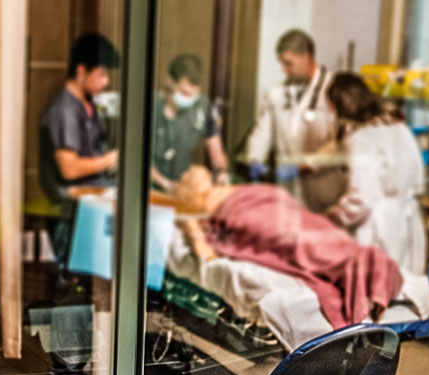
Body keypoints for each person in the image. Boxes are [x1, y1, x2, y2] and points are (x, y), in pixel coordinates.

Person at [174, 165, 403, 329]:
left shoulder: (239, 192)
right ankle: (355, 262)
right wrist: (194, 227)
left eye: (193, 176)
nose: (193, 178)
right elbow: (207, 256)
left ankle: (355, 260)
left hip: (264, 204)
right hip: (246, 216)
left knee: (310, 232)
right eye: (189, 179)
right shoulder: (201, 214)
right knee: (298, 242)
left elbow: (286, 205)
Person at [37, 32, 119, 375]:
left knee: (87, 285)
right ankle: (65, 369)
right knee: (71, 286)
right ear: (82, 70)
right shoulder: (63, 110)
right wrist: (111, 158)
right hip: (66, 211)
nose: (105, 83)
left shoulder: (88, 108)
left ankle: (82, 360)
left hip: (91, 208)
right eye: (101, 75)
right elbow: (69, 168)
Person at [324, 73, 426, 275]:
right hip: (410, 222)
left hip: (382, 228)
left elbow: (362, 198)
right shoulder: (399, 128)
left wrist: (334, 216)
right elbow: (419, 180)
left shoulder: (361, 139)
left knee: (379, 293)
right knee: (407, 291)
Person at [242, 29, 340, 212]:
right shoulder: (276, 93)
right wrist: (254, 159)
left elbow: (339, 144)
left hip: (322, 191)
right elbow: (262, 133)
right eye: (282, 64)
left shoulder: (333, 90)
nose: (284, 70)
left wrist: (305, 165)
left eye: (289, 64)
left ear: (307, 57)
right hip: (287, 190)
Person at [150, 54, 227, 192]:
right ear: (170, 82)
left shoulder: (203, 108)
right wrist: (166, 184)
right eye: (184, 93)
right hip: (150, 186)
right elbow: (135, 158)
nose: (190, 99)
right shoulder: (151, 107)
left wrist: (222, 173)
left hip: (182, 186)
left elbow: (215, 148)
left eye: (194, 94)